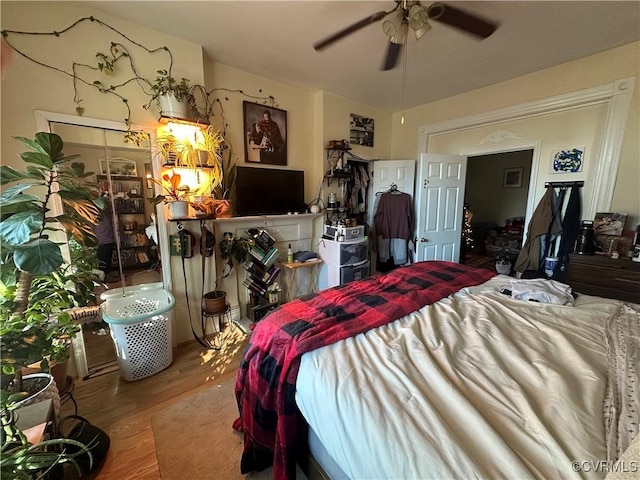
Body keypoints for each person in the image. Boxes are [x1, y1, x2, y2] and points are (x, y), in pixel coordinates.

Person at [94, 193, 116, 278]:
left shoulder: (106, 211)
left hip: (109, 237)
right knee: (103, 259)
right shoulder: (99, 205)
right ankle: (103, 278)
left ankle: (106, 276)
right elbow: (102, 205)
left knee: (107, 259)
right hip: (102, 238)